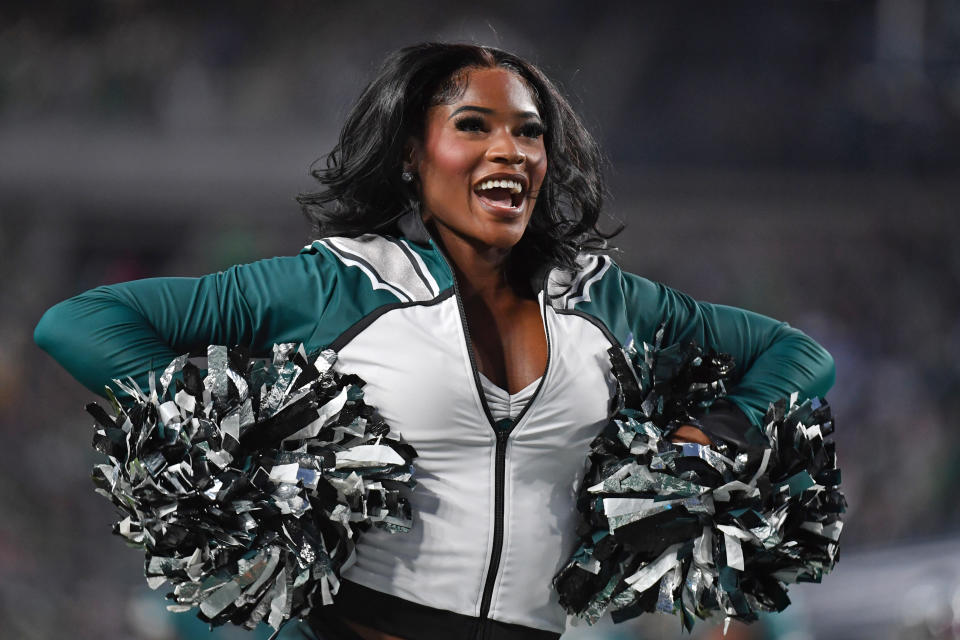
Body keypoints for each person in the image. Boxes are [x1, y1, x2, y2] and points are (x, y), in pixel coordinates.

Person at [33, 43, 835, 640]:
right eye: (474, 126)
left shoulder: (601, 300)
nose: (508, 151)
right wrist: (223, 444)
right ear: (412, 157)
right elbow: (79, 324)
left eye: (529, 133)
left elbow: (798, 356)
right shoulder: (341, 285)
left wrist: (714, 433)